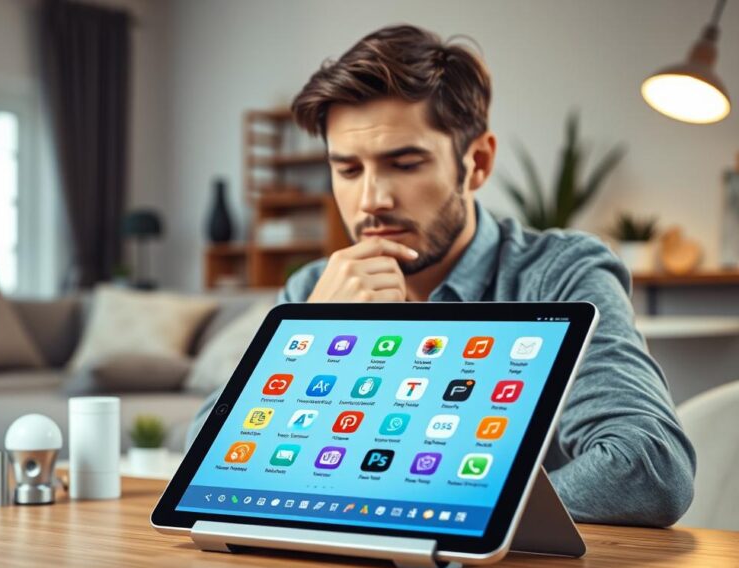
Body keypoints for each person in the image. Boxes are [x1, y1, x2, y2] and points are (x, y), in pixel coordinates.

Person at [189, 24, 695, 527]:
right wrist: (317, 329)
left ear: (477, 163)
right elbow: (202, 454)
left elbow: (649, 469)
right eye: (347, 170)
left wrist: (440, 511)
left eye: (404, 163)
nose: (372, 200)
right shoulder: (313, 288)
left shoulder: (560, 274)